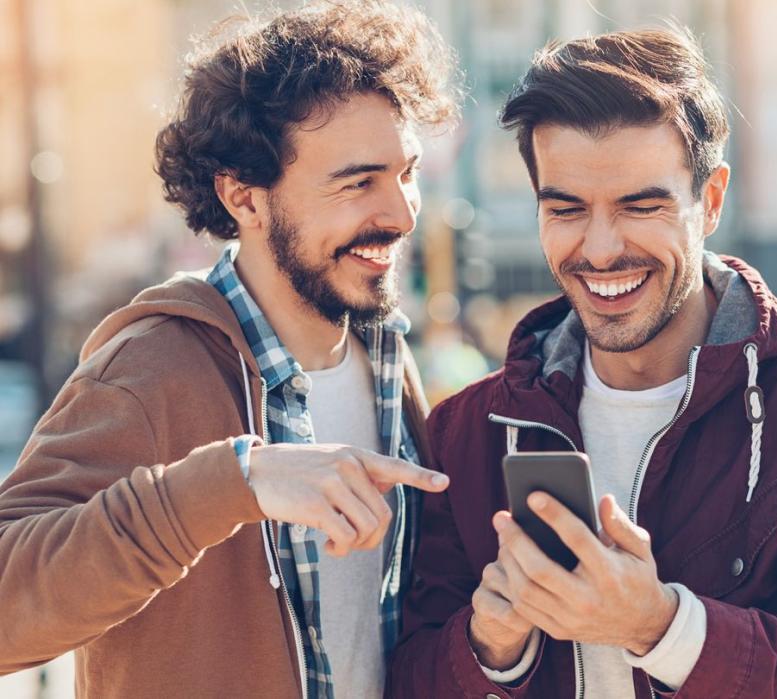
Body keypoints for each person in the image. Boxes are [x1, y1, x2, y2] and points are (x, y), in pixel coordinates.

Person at [388, 28, 777, 698]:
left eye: (639, 206)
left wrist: (659, 625)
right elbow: (412, 676)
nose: (599, 248)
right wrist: (488, 648)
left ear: (709, 202)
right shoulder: (467, 430)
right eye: (566, 209)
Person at [0, 3, 458, 697]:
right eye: (359, 182)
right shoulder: (151, 368)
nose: (400, 213)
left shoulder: (386, 358)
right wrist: (231, 485)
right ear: (243, 196)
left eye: (407, 172)